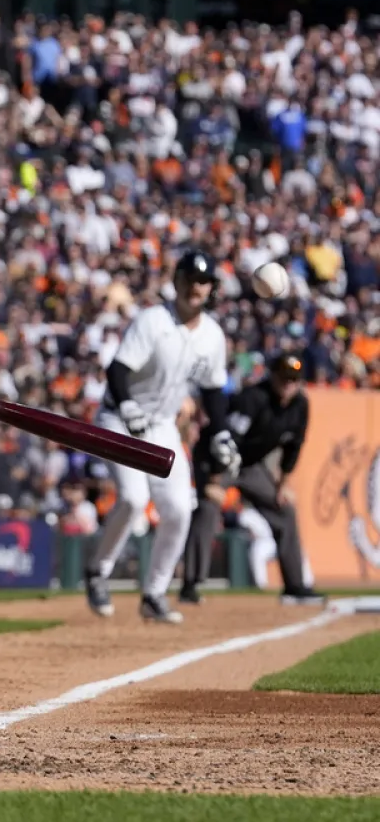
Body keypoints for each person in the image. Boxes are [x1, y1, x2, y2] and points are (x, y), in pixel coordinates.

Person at [84, 249, 238, 624]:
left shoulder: (213, 336)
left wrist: (219, 433)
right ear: (177, 282)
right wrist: (128, 407)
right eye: (190, 280)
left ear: (211, 288)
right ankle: (98, 573)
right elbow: (118, 370)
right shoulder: (153, 320)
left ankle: (154, 592)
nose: (196, 287)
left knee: (180, 510)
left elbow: (214, 391)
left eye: (203, 281)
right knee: (134, 500)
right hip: (120, 417)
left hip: (162, 425)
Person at [182, 352, 320, 605]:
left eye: (294, 380)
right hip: (218, 458)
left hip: (250, 465)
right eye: (284, 378)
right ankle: (191, 584)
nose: (288, 384)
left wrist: (282, 484)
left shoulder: (301, 405)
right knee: (208, 507)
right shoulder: (253, 398)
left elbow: (294, 446)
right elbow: (228, 438)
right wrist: (213, 480)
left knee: (284, 510)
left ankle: (295, 586)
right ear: (274, 377)